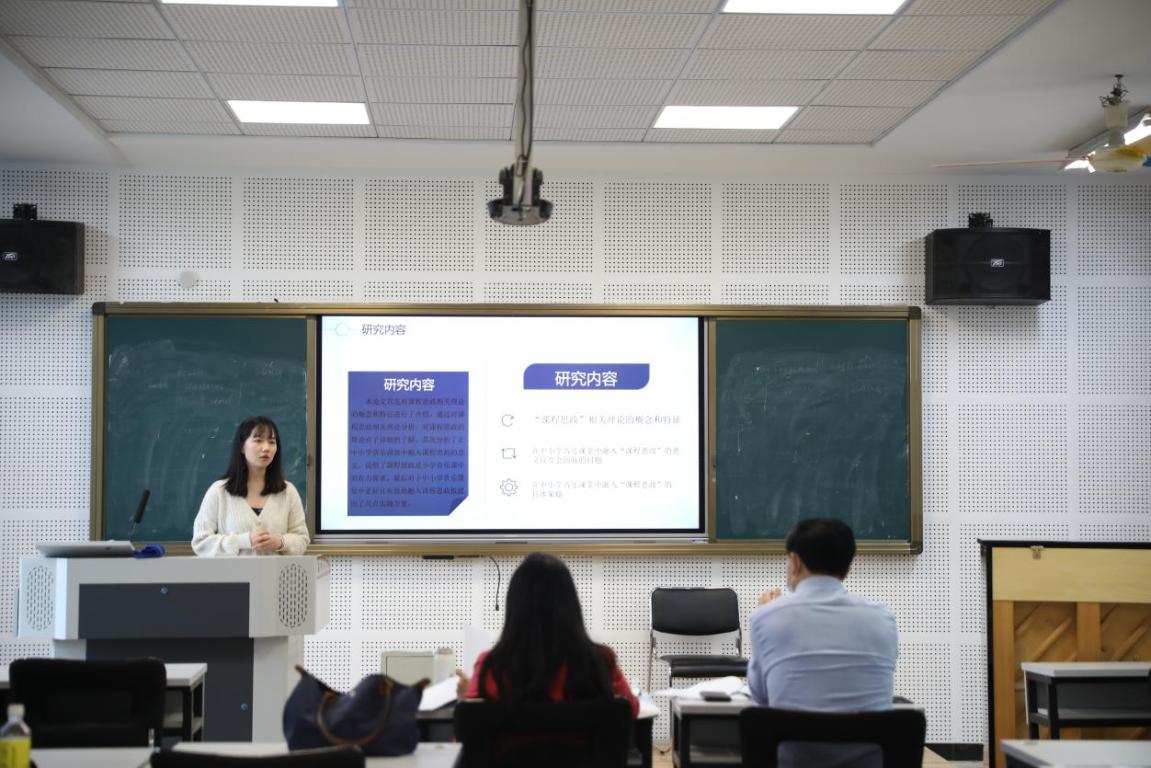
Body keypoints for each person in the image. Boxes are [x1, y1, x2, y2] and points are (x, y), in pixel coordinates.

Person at [746, 517, 898, 766]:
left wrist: (768, 611)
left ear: (795, 561)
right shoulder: (883, 618)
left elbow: (761, 697)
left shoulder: (766, 616)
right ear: (847, 566)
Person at [459, 552, 639, 717]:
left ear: (515, 607)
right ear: (571, 605)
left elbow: (467, 734)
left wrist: (464, 700)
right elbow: (630, 710)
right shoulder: (600, 661)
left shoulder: (491, 667)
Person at [191, 415, 310, 556]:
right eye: (258, 440)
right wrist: (242, 541)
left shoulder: (288, 491)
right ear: (242, 446)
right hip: (234, 571)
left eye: (272, 442)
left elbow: (302, 540)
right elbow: (200, 542)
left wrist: (281, 542)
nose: (266, 448)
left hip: (275, 571)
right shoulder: (219, 491)